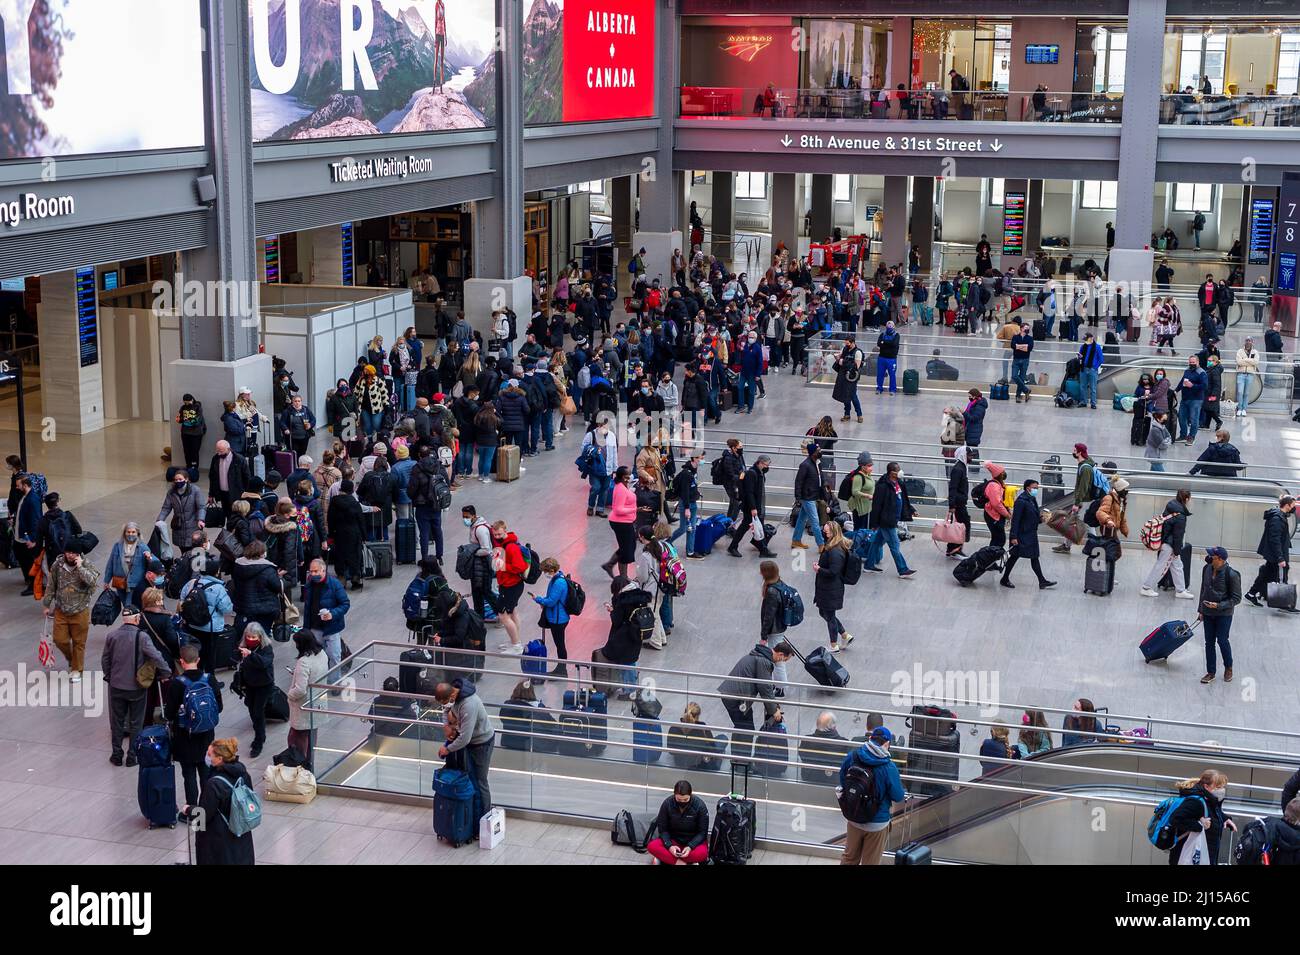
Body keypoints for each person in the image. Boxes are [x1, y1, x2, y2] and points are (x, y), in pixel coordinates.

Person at [101, 605, 169, 766]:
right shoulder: (142, 637)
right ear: (137, 619)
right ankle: (132, 756)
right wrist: (166, 672)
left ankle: (117, 755)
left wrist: (110, 677)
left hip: (116, 686)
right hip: (136, 687)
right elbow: (156, 656)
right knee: (136, 722)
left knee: (117, 722)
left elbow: (105, 660)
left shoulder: (112, 636)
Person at [166, 643, 223, 816]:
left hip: (185, 737)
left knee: (189, 775)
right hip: (207, 736)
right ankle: (210, 809)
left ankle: (194, 812)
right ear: (198, 660)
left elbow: (169, 713)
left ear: (181, 662)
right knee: (206, 773)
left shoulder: (177, 683)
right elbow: (218, 707)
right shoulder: (209, 679)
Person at [837, 726, 907, 865]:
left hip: (854, 815)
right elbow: (898, 796)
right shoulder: (889, 767)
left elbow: (842, 779)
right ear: (887, 744)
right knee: (871, 862)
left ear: (870, 739)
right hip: (877, 822)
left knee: (849, 858)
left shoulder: (853, 756)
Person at [718, 639, 793, 759]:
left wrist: (773, 706)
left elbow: (766, 687)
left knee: (742, 727)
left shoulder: (760, 656)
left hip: (733, 695)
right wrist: (774, 711)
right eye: (784, 660)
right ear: (780, 655)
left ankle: (738, 759)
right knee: (746, 729)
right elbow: (765, 688)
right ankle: (742, 762)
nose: (782, 662)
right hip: (735, 698)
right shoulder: (764, 661)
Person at [188, 737, 256, 865]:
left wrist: (189, 810)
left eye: (209, 754)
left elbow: (203, 817)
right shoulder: (243, 774)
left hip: (219, 842)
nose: (206, 757)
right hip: (241, 835)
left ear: (219, 759)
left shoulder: (214, 784)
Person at [43, 541, 100, 682]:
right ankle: (71, 659)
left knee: (79, 642)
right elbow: (51, 585)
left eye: (74, 553)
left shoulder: (86, 564)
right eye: (68, 552)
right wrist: (46, 604)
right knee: (59, 640)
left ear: (79, 554)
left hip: (80, 610)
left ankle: (77, 670)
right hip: (61, 610)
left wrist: (80, 567)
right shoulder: (57, 565)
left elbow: (93, 582)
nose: (70, 555)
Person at [436, 677, 495, 810]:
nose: (445, 705)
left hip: (481, 743)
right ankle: (471, 812)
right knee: (469, 777)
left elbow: (465, 738)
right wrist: (446, 725)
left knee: (480, 781)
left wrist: (448, 749)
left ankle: (484, 815)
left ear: (452, 694)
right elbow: (446, 709)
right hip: (469, 742)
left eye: (446, 701)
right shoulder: (453, 693)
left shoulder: (468, 704)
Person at [1163, 770, 1236, 865]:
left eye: (1222, 787)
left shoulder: (1209, 799)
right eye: (1218, 787)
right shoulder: (1195, 801)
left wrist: (1225, 818)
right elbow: (1176, 819)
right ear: (1206, 786)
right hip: (1188, 856)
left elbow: (1212, 812)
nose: (1222, 790)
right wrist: (1199, 826)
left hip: (1202, 856)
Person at [178, 562, 234, 677]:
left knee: (196, 651)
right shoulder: (218, 588)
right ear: (216, 572)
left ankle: (195, 676)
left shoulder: (192, 583)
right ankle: (210, 680)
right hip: (211, 628)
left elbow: (182, 598)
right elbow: (226, 609)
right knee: (210, 655)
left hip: (192, 624)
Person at [1000, 479, 1056, 590]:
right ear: (1027, 488)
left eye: (1037, 488)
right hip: (1022, 534)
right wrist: (1013, 537)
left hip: (1030, 533)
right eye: (1034, 487)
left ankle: (1041, 580)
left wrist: (1042, 518)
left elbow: (1033, 516)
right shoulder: (1021, 501)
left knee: (1033, 556)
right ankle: (1005, 578)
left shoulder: (1032, 499)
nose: (1036, 490)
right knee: (1015, 556)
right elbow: (1015, 520)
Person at [1141, 489, 1196, 599]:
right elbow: (1178, 535)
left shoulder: (1172, 506)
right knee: (1161, 566)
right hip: (1170, 545)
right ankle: (1146, 587)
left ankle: (1180, 590)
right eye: (1190, 499)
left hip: (1166, 542)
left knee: (1177, 566)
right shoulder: (1180, 516)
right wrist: (1177, 551)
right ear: (1186, 499)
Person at [1198, 546, 1241, 685]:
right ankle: (1211, 672)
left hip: (1224, 614)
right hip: (1208, 612)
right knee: (1208, 642)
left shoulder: (1232, 574)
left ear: (1221, 559)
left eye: (1213, 557)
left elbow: (1236, 598)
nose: (1210, 559)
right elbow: (1203, 590)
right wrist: (1201, 610)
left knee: (1222, 640)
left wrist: (1219, 606)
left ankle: (1228, 667)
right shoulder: (1207, 569)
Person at [1245, 494, 1296, 610]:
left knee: (1266, 574)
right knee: (1283, 575)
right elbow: (1275, 539)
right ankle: (1285, 603)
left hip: (1274, 553)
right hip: (1277, 554)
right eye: (1292, 506)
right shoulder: (1277, 519)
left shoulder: (1279, 515)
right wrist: (1280, 558)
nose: (1294, 508)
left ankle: (1251, 594)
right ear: (1287, 506)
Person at [286, 629, 328, 767]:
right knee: (312, 738)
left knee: (297, 739)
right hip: (318, 701)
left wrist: (289, 694)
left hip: (303, 706)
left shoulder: (303, 662)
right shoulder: (322, 654)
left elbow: (300, 689)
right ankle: (310, 764)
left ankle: (300, 766)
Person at [812, 521, 856, 651]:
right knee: (824, 612)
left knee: (829, 616)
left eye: (826, 532)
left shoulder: (835, 551)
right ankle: (845, 635)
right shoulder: (833, 545)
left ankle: (833, 645)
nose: (825, 533)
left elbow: (833, 571)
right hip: (828, 587)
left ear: (833, 532)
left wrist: (819, 569)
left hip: (831, 588)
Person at [301, 558, 349, 674]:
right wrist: (306, 628)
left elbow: (345, 604)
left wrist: (332, 614)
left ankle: (334, 686)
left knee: (334, 658)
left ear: (323, 570)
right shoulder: (309, 586)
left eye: (315, 571)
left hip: (331, 629)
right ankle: (320, 685)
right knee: (316, 658)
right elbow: (308, 608)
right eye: (311, 571)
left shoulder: (334, 584)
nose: (312, 574)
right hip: (314, 628)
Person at [489, 520, 528, 653]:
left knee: (503, 615)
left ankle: (516, 645)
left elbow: (519, 566)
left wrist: (504, 566)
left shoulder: (511, 547)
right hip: (509, 585)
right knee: (512, 612)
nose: (497, 537)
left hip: (511, 585)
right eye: (495, 535)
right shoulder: (503, 544)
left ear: (505, 531)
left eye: (499, 534)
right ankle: (514, 641)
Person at [648, 780, 710, 865]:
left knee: (703, 854)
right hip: (673, 840)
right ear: (674, 795)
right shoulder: (667, 803)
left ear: (690, 795)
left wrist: (690, 847)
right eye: (679, 799)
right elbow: (663, 829)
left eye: (685, 799)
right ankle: (682, 863)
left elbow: (702, 833)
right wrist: (669, 846)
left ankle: (665, 859)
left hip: (693, 842)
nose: (682, 802)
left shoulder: (700, 806)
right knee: (652, 846)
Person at [727, 455, 775, 558]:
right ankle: (733, 547)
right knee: (744, 527)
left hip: (757, 506)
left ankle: (763, 549)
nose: (767, 467)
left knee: (759, 526)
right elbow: (749, 493)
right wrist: (753, 508)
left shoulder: (759, 472)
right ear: (760, 463)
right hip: (751, 507)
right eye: (766, 465)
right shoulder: (752, 474)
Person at [531, 557, 571, 676]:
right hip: (558, 616)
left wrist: (538, 599)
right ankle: (561, 668)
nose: (545, 574)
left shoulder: (558, 582)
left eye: (545, 571)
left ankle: (562, 670)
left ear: (552, 570)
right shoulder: (557, 578)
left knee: (560, 644)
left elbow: (552, 601)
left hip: (558, 619)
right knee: (559, 644)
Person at [157, 469, 204, 554]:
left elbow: (201, 507)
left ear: (186, 479)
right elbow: (166, 508)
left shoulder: (195, 490)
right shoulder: (171, 492)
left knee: (192, 547)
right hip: (178, 525)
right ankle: (185, 563)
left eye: (180, 479)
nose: (178, 481)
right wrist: (160, 519)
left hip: (192, 524)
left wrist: (201, 519)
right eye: (176, 480)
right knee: (182, 548)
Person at [791, 443, 827, 550]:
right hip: (807, 497)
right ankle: (821, 544)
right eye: (818, 450)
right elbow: (798, 482)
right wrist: (798, 497)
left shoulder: (817, 463)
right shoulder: (805, 465)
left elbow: (821, 477)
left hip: (813, 495)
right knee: (815, 521)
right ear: (813, 453)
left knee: (802, 519)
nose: (820, 452)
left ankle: (796, 540)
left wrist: (824, 487)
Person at [669, 450, 704, 559]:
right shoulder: (686, 473)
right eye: (700, 458)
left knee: (691, 528)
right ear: (694, 458)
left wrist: (696, 493)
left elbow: (691, 487)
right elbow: (685, 492)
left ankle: (690, 552)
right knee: (684, 528)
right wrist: (687, 508)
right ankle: (668, 542)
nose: (702, 460)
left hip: (692, 503)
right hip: (686, 504)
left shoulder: (694, 471)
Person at [581, 419, 618, 517]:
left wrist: (615, 467)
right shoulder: (591, 435)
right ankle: (590, 506)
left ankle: (600, 509)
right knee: (596, 487)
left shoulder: (612, 436)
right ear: (598, 425)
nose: (605, 428)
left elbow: (614, 452)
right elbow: (583, 448)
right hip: (595, 468)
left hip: (608, 468)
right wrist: (593, 450)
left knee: (604, 489)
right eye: (603, 426)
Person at [208, 439, 250, 517]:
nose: (219, 453)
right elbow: (212, 477)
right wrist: (211, 494)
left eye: (221, 451)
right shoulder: (215, 458)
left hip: (236, 494)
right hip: (222, 493)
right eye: (217, 451)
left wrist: (245, 493)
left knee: (236, 515)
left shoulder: (239, 460)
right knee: (226, 514)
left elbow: (246, 477)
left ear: (229, 449)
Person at [1176, 356, 1209, 445]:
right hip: (1185, 398)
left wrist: (1193, 386)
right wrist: (1176, 390)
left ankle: (1191, 437)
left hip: (1196, 399)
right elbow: (1182, 381)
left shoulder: (1201, 372)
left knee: (1194, 419)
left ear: (1198, 362)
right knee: (1181, 417)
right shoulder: (1187, 370)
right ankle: (1183, 435)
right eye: (1190, 362)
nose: (1192, 364)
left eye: (1193, 362)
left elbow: (1205, 386)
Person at [832, 336, 864, 422]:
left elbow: (856, 366)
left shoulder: (858, 352)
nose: (846, 345)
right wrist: (838, 359)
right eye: (845, 343)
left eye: (848, 343)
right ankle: (847, 414)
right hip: (843, 375)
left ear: (853, 342)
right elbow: (840, 358)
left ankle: (859, 415)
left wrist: (842, 362)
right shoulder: (845, 349)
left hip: (852, 377)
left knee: (853, 396)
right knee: (845, 395)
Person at [981, 461, 1011, 549]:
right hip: (993, 515)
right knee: (999, 540)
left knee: (996, 539)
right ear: (999, 474)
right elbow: (996, 504)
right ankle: (990, 558)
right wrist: (1007, 514)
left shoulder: (998, 484)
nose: (1004, 474)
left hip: (995, 515)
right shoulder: (994, 486)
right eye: (1003, 472)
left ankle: (990, 559)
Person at [279, 393, 317, 460]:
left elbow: (313, 419)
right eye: (295, 401)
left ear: (301, 402)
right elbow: (282, 422)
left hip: (304, 437)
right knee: (294, 453)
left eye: (299, 401)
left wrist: (310, 425)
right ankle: (294, 467)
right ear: (292, 402)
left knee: (302, 453)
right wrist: (285, 429)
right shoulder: (288, 411)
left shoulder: (306, 409)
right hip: (293, 438)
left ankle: (300, 466)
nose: (297, 403)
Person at [175, 393, 207, 472]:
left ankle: (194, 467)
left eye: (188, 402)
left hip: (196, 433)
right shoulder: (183, 407)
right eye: (185, 402)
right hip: (185, 433)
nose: (186, 404)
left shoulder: (197, 407)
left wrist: (187, 421)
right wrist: (180, 420)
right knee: (186, 450)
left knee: (194, 451)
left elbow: (197, 420)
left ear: (192, 400)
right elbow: (180, 418)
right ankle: (188, 465)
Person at [1076, 333, 1103, 410]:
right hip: (1083, 368)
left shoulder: (1097, 347)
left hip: (1092, 369)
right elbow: (1080, 356)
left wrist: (1095, 367)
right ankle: (1083, 402)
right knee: (1082, 386)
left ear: (1091, 338)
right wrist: (1079, 357)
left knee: (1093, 387)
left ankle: (1093, 403)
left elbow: (1101, 359)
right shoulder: (1083, 346)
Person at [1010, 322, 1034, 402]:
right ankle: (1026, 390)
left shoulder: (1030, 338)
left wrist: (1018, 346)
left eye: (1028, 328)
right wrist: (1024, 346)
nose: (1027, 329)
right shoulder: (1015, 337)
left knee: (1022, 378)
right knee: (1014, 376)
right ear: (1021, 328)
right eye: (1026, 328)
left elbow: (1029, 348)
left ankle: (1018, 396)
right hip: (1016, 359)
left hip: (1025, 360)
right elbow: (1013, 346)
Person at [875, 322, 900, 395]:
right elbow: (879, 343)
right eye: (888, 327)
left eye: (890, 327)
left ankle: (892, 389)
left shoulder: (896, 335)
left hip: (891, 359)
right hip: (882, 358)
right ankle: (879, 388)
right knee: (880, 374)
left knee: (892, 375)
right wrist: (888, 343)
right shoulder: (882, 334)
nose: (889, 328)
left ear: (893, 327)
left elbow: (894, 344)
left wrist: (884, 343)